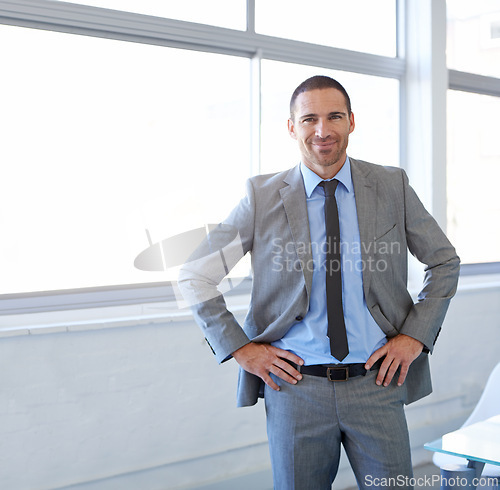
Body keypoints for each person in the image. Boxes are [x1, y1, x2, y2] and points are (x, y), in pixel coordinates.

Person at [178, 75, 460, 490]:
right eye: (309, 118)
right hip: (295, 392)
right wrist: (241, 350)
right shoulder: (261, 197)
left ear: (351, 122)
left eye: (334, 117)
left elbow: (444, 260)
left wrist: (415, 337)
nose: (322, 130)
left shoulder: (391, 186)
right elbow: (196, 275)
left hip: (376, 385)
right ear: (292, 127)